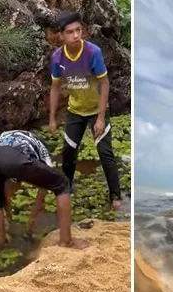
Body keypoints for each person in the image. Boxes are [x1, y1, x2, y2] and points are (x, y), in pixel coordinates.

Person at [48, 11, 121, 211]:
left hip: (97, 109)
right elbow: (55, 88)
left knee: (105, 153)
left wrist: (100, 118)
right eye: (70, 32)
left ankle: (115, 196)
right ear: (61, 36)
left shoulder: (92, 52)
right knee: (68, 152)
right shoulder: (57, 58)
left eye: (78, 30)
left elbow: (104, 83)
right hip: (76, 111)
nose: (76, 35)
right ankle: (67, 187)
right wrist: (52, 117)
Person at [0, 130, 89, 250]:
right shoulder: (42, 149)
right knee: (62, 184)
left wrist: (9, 218)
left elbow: (4, 189)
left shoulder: (5, 136)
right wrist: (32, 221)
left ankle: (1, 242)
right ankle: (66, 241)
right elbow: (45, 188)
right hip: (16, 157)